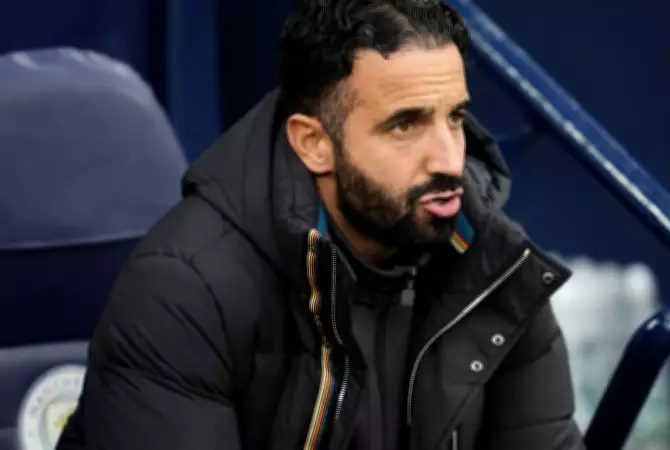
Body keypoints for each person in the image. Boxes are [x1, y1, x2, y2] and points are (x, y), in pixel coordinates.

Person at [58, 0, 584, 449]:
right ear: (313, 143)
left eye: (455, 118)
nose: (449, 159)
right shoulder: (185, 289)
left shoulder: (494, 270)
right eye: (406, 124)